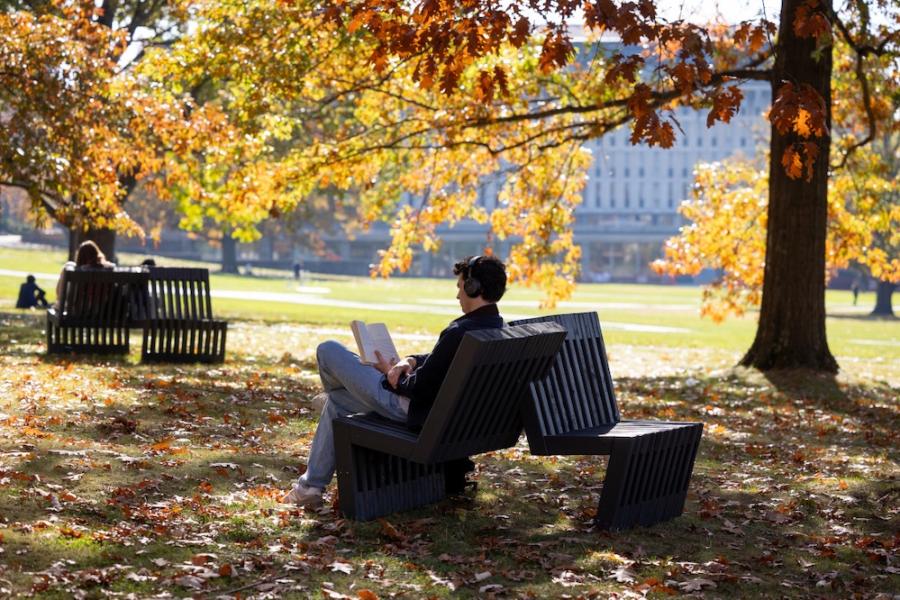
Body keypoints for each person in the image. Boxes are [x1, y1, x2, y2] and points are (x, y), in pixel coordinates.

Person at [282, 255, 508, 508]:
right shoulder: (496, 329)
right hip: (456, 422)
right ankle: (309, 489)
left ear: (472, 287)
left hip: (415, 412)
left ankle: (347, 396)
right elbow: (440, 362)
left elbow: (419, 388)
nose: (458, 295)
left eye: (459, 287)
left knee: (328, 350)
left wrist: (389, 373)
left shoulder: (459, 332)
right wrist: (409, 361)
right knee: (336, 403)